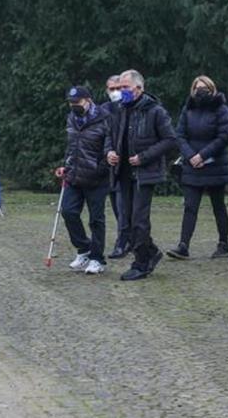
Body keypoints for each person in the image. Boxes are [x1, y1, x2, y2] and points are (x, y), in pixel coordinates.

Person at [106, 70, 176, 281]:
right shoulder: (119, 110)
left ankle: (141, 263)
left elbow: (170, 140)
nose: (121, 91)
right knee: (126, 220)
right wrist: (109, 152)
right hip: (123, 172)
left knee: (139, 219)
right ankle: (151, 251)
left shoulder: (155, 111)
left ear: (139, 88)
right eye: (119, 88)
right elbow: (110, 135)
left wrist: (144, 157)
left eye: (125, 87)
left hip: (144, 173)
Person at [166, 76, 228, 260]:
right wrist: (191, 156)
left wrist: (203, 155)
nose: (200, 91)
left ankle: (224, 244)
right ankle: (183, 245)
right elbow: (180, 135)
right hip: (192, 165)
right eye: (197, 88)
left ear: (212, 90)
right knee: (190, 206)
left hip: (215, 165)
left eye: (204, 88)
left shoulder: (222, 109)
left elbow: (224, 136)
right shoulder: (188, 109)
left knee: (218, 206)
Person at [55, 85, 112, 275]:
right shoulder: (71, 118)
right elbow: (71, 146)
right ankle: (84, 249)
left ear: (88, 100)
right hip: (74, 175)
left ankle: (97, 259)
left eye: (77, 102)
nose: (74, 106)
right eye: (71, 103)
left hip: (97, 178)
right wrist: (65, 165)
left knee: (96, 220)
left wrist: (101, 168)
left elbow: (109, 147)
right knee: (68, 211)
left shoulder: (104, 118)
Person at [102, 75, 129, 258]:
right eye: (111, 89)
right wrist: (108, 151)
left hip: (127, 164)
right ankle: (127, 239)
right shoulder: (103, 110)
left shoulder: (130, 108)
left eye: (118, 88)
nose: (115, 92)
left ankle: (123, 241)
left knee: (124, 205)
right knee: (116, 206)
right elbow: (104, 134)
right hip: (109, 165)